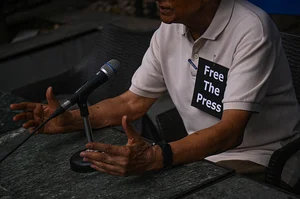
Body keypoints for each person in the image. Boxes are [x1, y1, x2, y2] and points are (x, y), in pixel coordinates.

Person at [10, 0, 300, 188]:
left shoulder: (251, 29)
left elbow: (231, 132)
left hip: (262, 157)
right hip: (203, 155)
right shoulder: (169, 30)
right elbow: (132, 101)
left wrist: (155, 157)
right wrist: (67, 119)